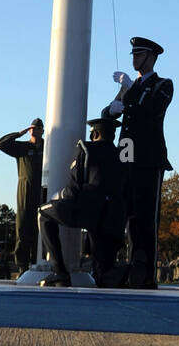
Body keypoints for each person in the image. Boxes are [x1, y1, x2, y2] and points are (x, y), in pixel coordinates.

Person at [105, 35, 173, 289]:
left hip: (147, 158)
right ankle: (122, 268)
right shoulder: (130, 87)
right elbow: (109, 113)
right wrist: (112, 107)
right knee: (123, 213)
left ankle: (145, 274)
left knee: (145, 217)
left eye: (139, 55)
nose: (134, 59)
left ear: (151, 57)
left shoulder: (162, 84)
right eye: (133, 55)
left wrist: (128, 90)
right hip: (125, 156)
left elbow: (151, 110)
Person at [38, 115, 128, 286]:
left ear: (94, 134)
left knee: (43, 213)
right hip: (114, 214)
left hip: (88, 208)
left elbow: (75, 186)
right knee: (103, 272)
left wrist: (59, 197)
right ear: (113, 136)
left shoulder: (85, 148)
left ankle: (60, 272)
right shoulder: (122, 156)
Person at [0, 119, 44, 272]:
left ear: (43, 130)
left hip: (43, 190)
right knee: (22, 227)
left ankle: (38, 262)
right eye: (32, 128)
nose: (34, 130)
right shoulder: (23, 147)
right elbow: (1, 144)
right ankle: (22, 266)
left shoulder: (48, 146)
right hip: (25, 189)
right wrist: (19, 134)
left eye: (38, 128)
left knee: (40, 228)